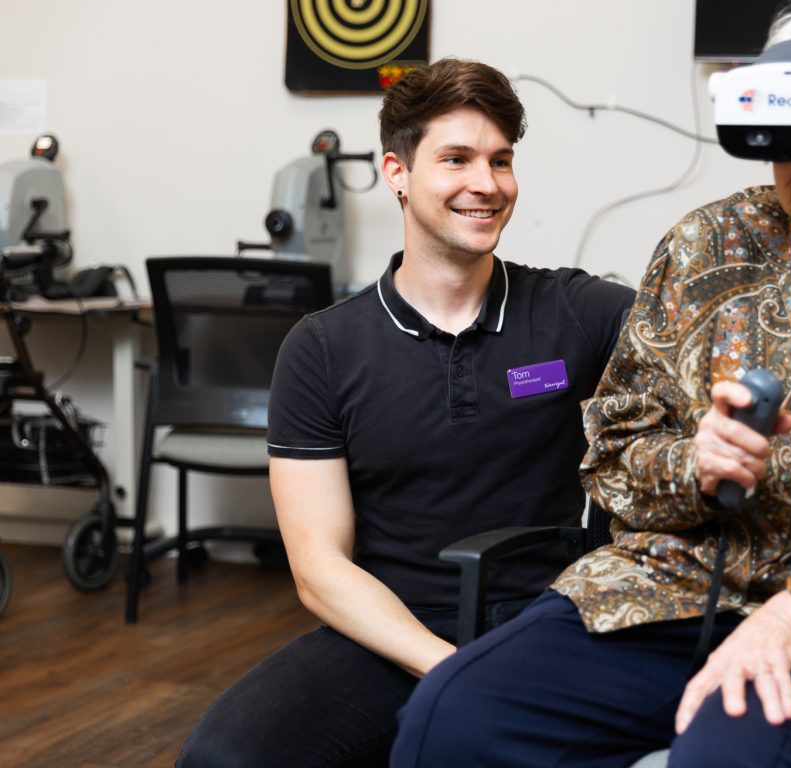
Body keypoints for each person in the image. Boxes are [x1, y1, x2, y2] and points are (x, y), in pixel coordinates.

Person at [391, 0, 791, 768]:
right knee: (450, 719)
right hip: (665, 595)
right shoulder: (705, 248)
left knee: (725, 755)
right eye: (789, 127)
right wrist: (692, 465)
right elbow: (616, 453)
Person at [178, 59, 634, 767]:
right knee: (225, 757)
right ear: (397, 172)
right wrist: (444, 665)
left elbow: (701, 330)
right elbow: (318, 567)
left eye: (501, 160)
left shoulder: (578, 313)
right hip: (390, 628)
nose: (486, 184)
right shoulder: (323, 348)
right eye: (456, 159)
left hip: (545, 622)